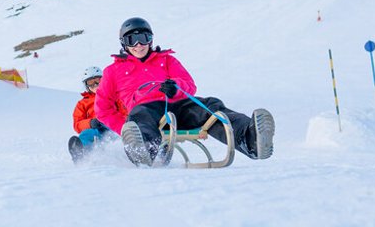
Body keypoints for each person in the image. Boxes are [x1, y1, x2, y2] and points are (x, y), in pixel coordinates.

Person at [95, 17, 275, 167]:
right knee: (139, 115)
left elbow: (189, 84)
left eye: (143, 37)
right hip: (147, 112)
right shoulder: (113, 71)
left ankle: (251, 140)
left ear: (151, 39)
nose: (139, 44)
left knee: (211, 105)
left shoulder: (166, 60)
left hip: (178, 105)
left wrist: (175, 86)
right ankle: (141, 150)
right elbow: (103, 109)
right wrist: (126, 128)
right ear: (123, 44)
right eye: (131, 40)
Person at [68, 66, 113, 161]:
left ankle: (131, 150)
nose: (95, 85)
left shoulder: (113, 96)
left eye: (98, 81)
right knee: (87, 134)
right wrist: (91, 123)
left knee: (116, 136)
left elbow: (124, 111)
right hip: (95, 128)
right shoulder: (83, 103)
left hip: (112, 125)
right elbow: (77, 124)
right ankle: (80, 152)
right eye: (91, 83)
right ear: (86, 86)